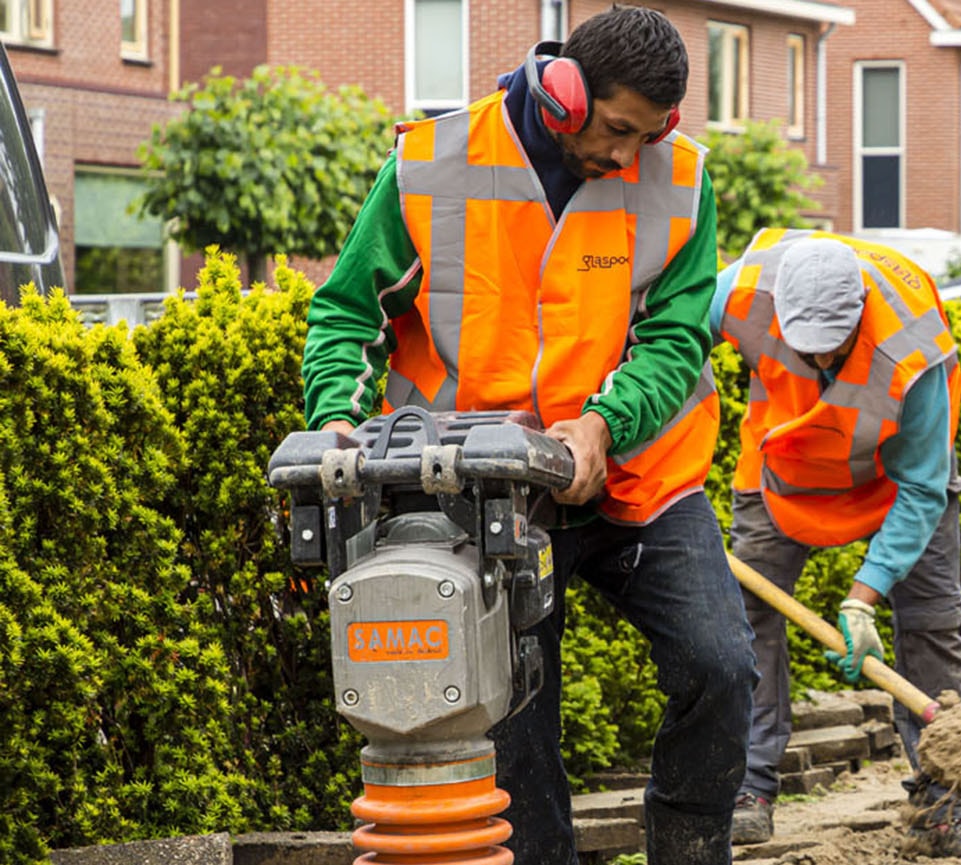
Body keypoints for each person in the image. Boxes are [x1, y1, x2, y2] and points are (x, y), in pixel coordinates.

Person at [301, 8, 755, 863]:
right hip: (479, 495)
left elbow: (674, 338)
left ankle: (691, 848)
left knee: (720, 665)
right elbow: (348, 315)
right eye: (618, 129)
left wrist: (603, 426)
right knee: (511, 720)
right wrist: (337, 421)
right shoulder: (432, 163)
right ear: (564, 93)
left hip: (638, 481)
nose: (628, 157)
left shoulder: (681, 178)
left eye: (648, 136)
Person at [713, 229, 961, 858]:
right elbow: (669, 352)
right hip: (784, 470)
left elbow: (924, 488)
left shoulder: (916, 347)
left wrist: (862, 598)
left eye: (831, 348)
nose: (817, 362)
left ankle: (944, 802)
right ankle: (749, 790)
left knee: (931, 627)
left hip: (897, 482)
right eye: (801, 346)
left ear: (860, 312)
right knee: (745, 619)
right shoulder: (738, 292)